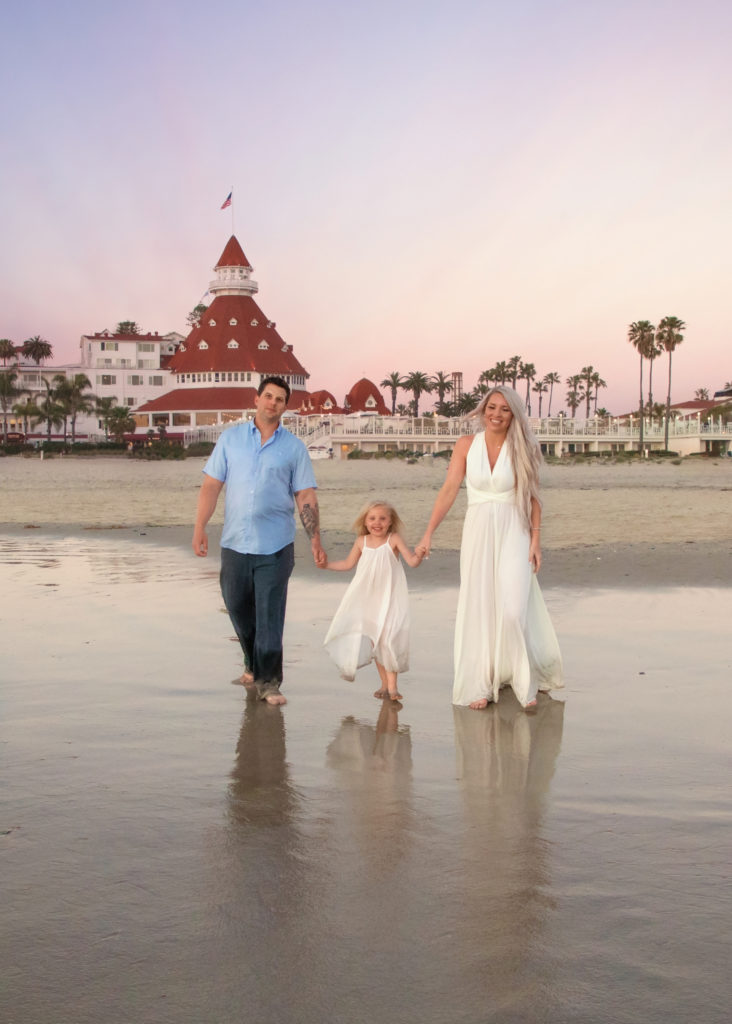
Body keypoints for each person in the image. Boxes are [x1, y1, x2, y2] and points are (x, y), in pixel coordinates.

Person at [416, 387, 562, 710]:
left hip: (516, 530)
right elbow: (449, 489)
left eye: (505, 409)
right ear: (483, 410)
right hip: (478, 531)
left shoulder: (525, 448)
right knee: (480, 604)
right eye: (491, 407)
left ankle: (524, 679)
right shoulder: (466, 446)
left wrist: (536, 540)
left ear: (514, 415)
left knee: (512, 608)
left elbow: (535, 498)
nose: (496, 414)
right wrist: (428, 533)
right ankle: (481, 680)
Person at [192, 376, 326, 705]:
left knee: (269, 613)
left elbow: (305, 495)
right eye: (268, 396)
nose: (273, 403)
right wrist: (199, 527)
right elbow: (211, 486)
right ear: (257, 399)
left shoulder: (293, 448)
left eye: (280, 399)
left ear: (285, 406)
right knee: (237, 606)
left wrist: (315, 539)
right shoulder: (231, 439)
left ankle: (269, 681)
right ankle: (252, 662)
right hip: (235, 542)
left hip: (276, 545)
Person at [322, 500, 423, 701]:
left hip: (390, 599)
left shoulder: (393, 539)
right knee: (376, 642)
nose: (377, 522)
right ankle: (385, 685)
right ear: (365, 522)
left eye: (383, 518)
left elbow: (411, 562)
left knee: (388, 641)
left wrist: (419, 553)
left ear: (390, 522)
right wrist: (326, 565)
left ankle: (393, 688)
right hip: (368, 600)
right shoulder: (362, 541)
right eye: (372, 518)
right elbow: (347, 564)